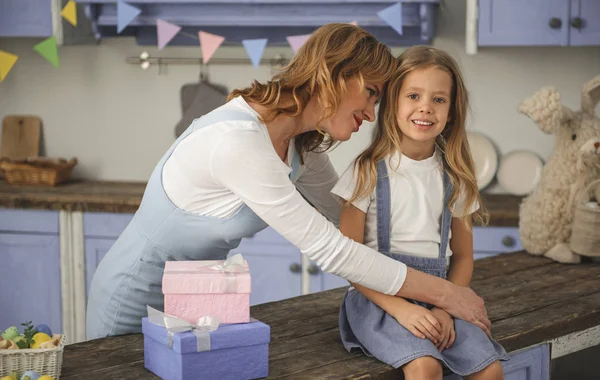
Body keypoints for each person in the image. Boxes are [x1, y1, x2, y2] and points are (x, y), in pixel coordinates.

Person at [86, 24, 492, 340]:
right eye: (370, 93)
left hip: (200, 299)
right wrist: (446, 295)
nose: (372, 114)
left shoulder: (302, 145)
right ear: (336, 75)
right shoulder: (238, 142)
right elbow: (331, 250)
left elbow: (346, 223)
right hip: (134, 299)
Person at [333, 46, 509, 380]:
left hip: (440, 295)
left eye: (439, 99)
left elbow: (462, 257)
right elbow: (349, 260)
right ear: (392, 103)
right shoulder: (366, 171)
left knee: (490, 371)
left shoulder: (455, 176)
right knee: (425, 367)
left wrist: (446, 308)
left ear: (451, 110)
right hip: (380, 300)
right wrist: (401, 309)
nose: (426, 107)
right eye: (413, 95)